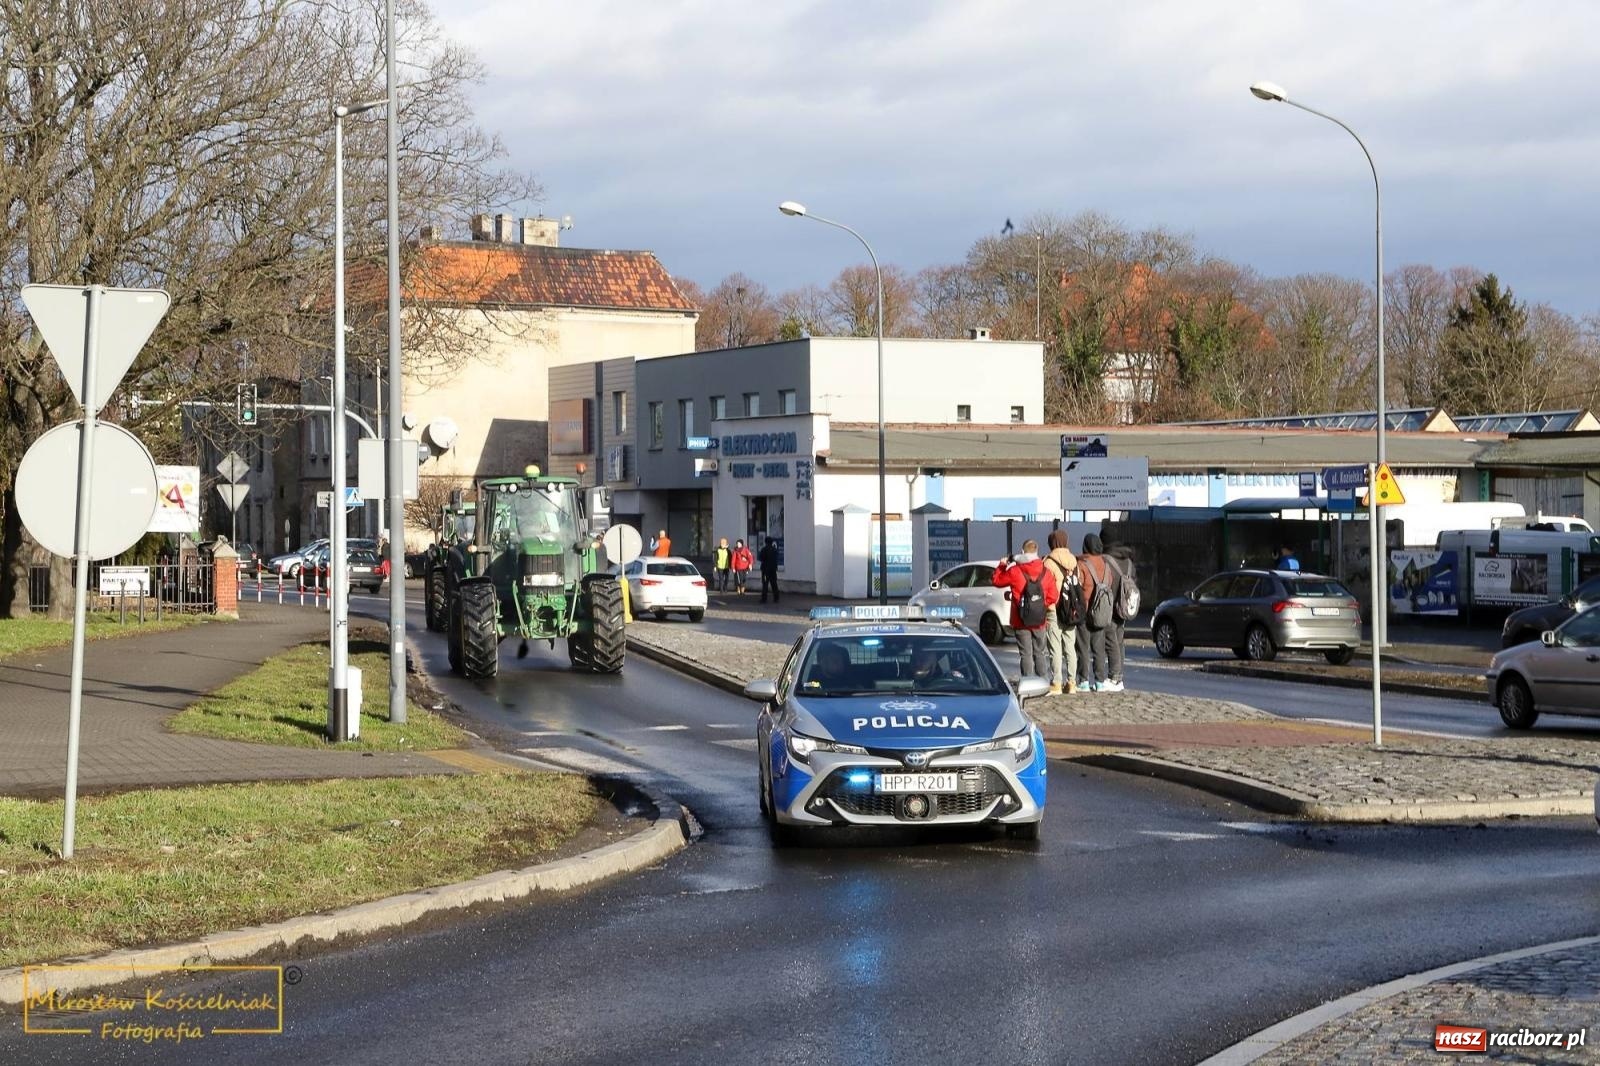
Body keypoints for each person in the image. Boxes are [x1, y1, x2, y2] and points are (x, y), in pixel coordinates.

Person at [991, 539, 1058, 679]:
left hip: (1020, 620)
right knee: (1039, 652)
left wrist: (1003, 564)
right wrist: (1041, 605)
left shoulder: (1015, 571)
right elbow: (1054, 596)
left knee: (1025, 653)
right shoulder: (1046, 572)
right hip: (1040, 620)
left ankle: (1028, 681)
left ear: (1022, 552)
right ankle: (1043, 682)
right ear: (1036, 552)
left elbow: (997, 581)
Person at [1077, 533, 1122, 692]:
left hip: (1085, 611)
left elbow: (1080, 586)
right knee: (1099, 649)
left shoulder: (1082, 564)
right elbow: (1109, 583)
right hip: (1101, 612)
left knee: (1083, 648)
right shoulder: (1106, 564)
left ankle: (1082, 681)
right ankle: (1099, 681)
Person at [1041, 530, 1080, 695]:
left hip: (1054, 608)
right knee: (1070, 646)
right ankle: (1071, 682)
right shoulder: (1074, 561)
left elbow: (1044, 586)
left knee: (1055, 647)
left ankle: (1056, 682)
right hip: (1071, 608)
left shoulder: (1048, 562)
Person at [758, 537, 781, 603]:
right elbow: (776, 559)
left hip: (765, 569)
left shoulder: (764, 549)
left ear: (766, 542)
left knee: (765, 584)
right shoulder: (774, 550)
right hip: (773, 569)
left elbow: (761, 558)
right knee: (774, 584)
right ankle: (776, 598)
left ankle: (764, 599)